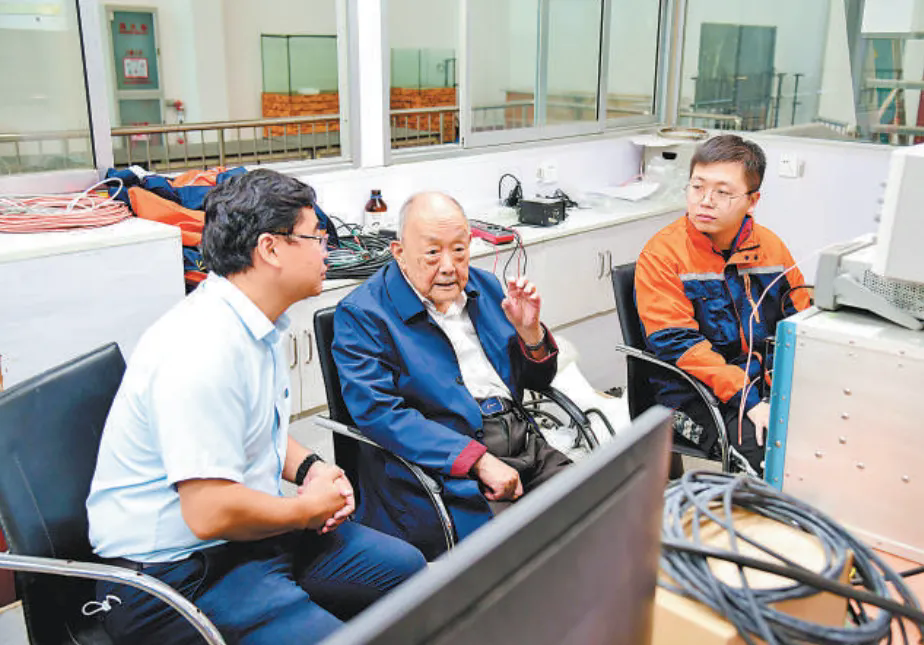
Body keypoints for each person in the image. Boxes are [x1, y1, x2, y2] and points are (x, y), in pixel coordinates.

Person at [86, 169, 426, 645]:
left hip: (243, 539)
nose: (327, 251)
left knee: (409, 572)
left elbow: (254, 428)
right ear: (271, 249)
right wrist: (304, 511)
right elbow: (208, 511)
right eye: (317, 237)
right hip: (175, 575)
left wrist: (310, 469)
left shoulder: (252, 323)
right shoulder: (202, 349)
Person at [332, 192, 571, 559]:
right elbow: (380, 414)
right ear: (399, 253)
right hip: (444, 470)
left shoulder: (485, 288)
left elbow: (539, 381)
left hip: (523, 445)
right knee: (523, 558)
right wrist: (477, 460)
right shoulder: (363, 314)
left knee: (599, 509)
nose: (448, 266)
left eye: (459, 250)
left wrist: (531, 334)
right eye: (432, 253)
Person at [635, 134, 811, 476]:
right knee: (775, 455)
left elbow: (799, 320)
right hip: (693, 393)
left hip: (762, 383)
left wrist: (789, 388)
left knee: (826, 435)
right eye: (697, 187)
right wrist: (749, 400)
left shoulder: (771, 248)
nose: (705, 201)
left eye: (722, 192)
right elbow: (678, 344)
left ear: (752, 200)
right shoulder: (663, 254)